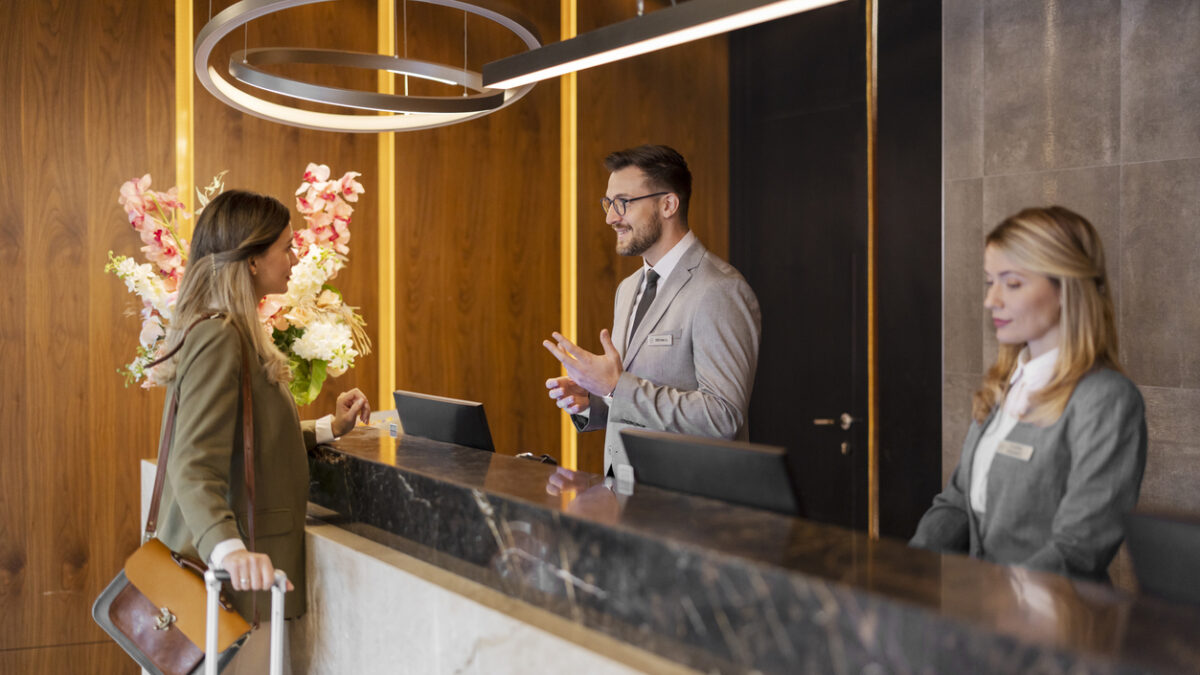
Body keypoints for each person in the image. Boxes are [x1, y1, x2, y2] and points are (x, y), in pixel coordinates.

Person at [153, 190, 370, 670]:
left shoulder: (234, 331)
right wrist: (230, 551)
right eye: (287, 247)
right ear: (252, 259)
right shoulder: (219, 336)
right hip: (230, 591)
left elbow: (248, 440)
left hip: (239, 588)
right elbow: (192, 463)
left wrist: (328, 428)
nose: (296, 258)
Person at [910, 206, 1146, 582]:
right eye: (990, 282)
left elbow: (1079, 547)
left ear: (1066, 289)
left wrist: (1002, 604)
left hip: (1053, 626)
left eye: (1013, 283)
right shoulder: (1003, 384)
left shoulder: (1106, 399)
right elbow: (955, 504)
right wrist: (907, 571)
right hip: (979, 616)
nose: (992, 300)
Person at [543, 145, 761, 475]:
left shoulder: (719, 289)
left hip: (689, 509)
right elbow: (636, 396)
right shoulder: (629, 288)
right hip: (626, 495)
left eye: (623, 203)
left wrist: (616, 387)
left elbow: (723, 417)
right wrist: (598, 401)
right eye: (608, 203)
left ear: (668, 204)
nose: (610, 217)